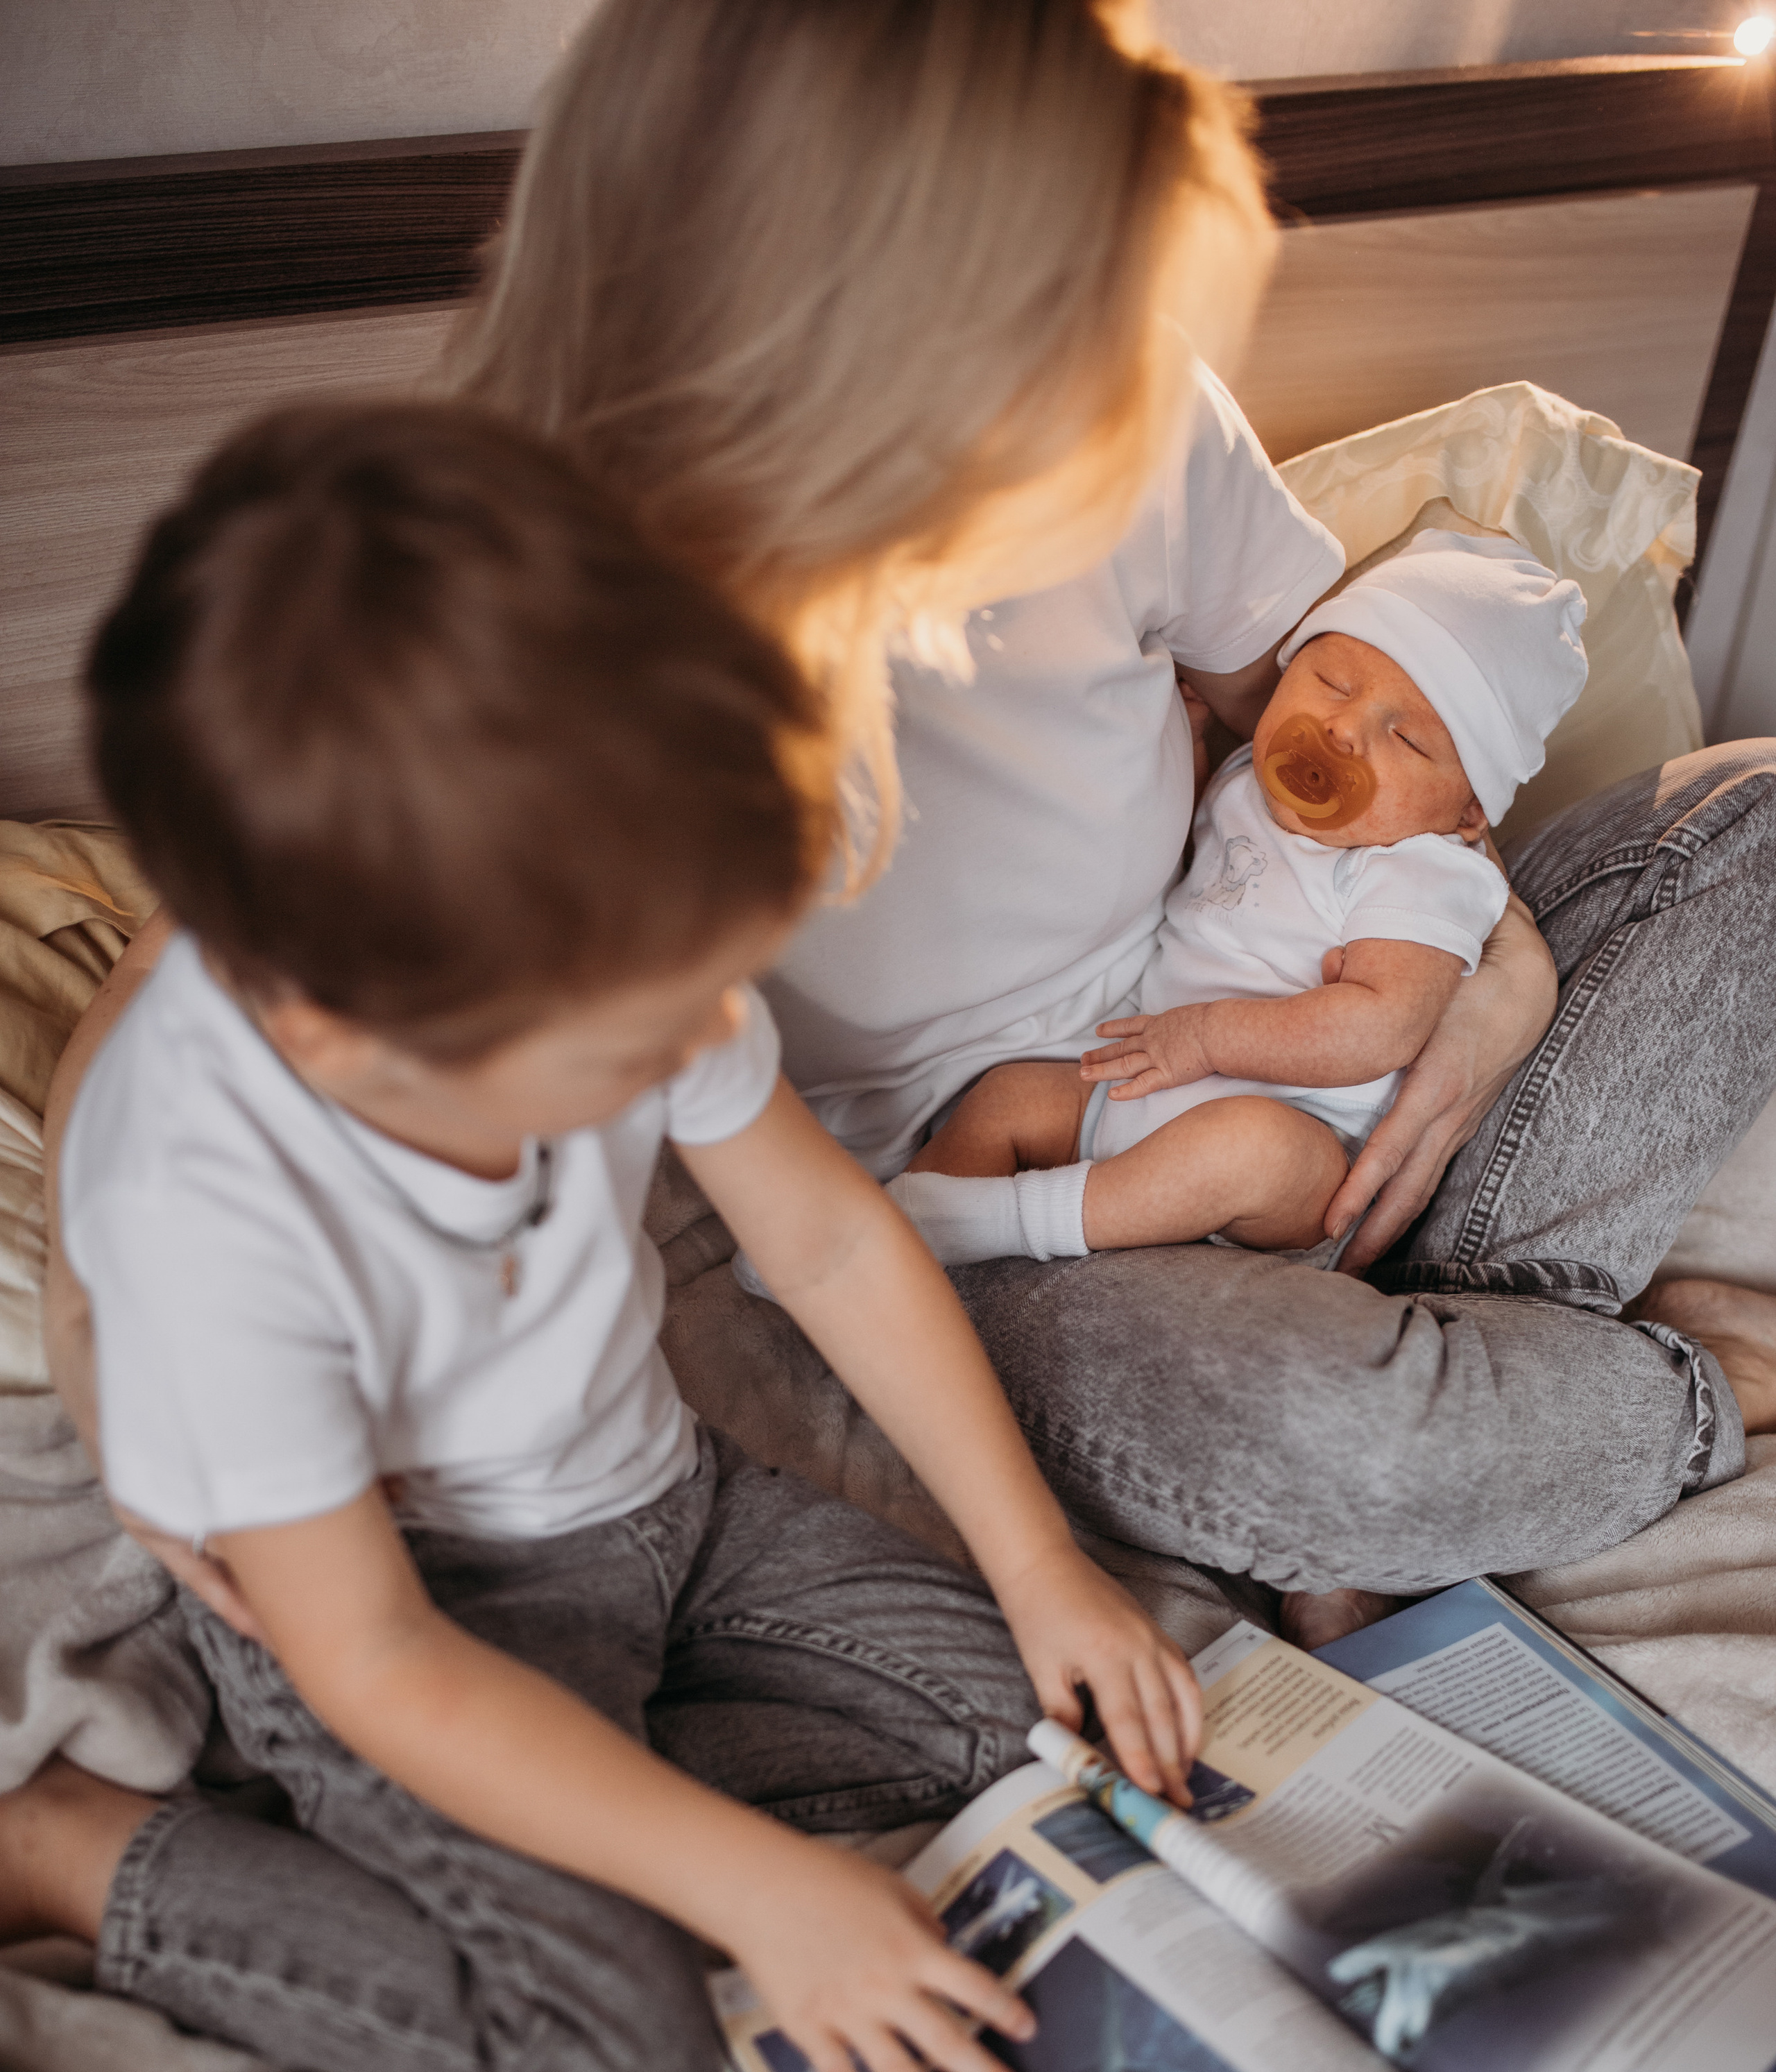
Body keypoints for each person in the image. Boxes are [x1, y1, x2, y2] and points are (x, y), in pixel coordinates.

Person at [439, 0, 1776, 1640]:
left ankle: (1473, 1340)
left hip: (1273, 1016)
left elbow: (1335, 731)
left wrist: (1492, 969)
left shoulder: (1122, 393)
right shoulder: (542, 619)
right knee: (1341, 1437)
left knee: (1749, 814)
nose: (1099, 382)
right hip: (977, 1201)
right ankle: (1659, 1386)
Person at [11, 401, 1203, 2072]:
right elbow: (383, 1662)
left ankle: (620, 1789)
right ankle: (65, 1839)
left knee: (1059, 1733)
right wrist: (761, 1891)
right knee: (605, 2060)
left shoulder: (606, 928)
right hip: (420, 1614)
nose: (699, 1036)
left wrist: (1037, 1565)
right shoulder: (207, 1205)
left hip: (668, 1497)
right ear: (345, 1019)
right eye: (641, 1031)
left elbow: (821, 1235)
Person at [887, 532, 1587, 1268]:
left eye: (1406, 739)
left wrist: (1207, 1038)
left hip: (1293, 1156)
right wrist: (1181, 749)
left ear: (1467, 813)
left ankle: (1005, 1224)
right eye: (1332, 682)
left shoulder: (1421, 869)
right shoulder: (1247, 781)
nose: (1343, 731)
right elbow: (1196, 865)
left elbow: (1382, 1027)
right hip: (1134, 1090)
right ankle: (892, 1238)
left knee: (1242, 1147)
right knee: (1006, 1101)